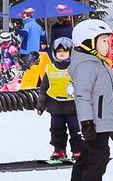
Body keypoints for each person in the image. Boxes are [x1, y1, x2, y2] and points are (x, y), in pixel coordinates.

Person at [63, 18, 113, 181]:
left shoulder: (100, 64)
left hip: (102, 121)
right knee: (99, 156)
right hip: (94, 122)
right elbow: (83, 95)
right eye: (103, 40)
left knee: (87, 155)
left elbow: (107, 98)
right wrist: (87, 122)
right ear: (87, 42)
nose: (107, 45)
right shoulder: (88, 65)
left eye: (107, 41)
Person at [36, 35, 84, 164]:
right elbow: (44, 88)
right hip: (55, 106)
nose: (62, 54)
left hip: (73, 106)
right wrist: (41, 105)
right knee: (56, 129)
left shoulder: (76, 68)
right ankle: (59, 149)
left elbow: (85, 85)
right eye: (59, 52)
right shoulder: (50, 69)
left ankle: (78, 150)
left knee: (76, 129)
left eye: (64, 52)